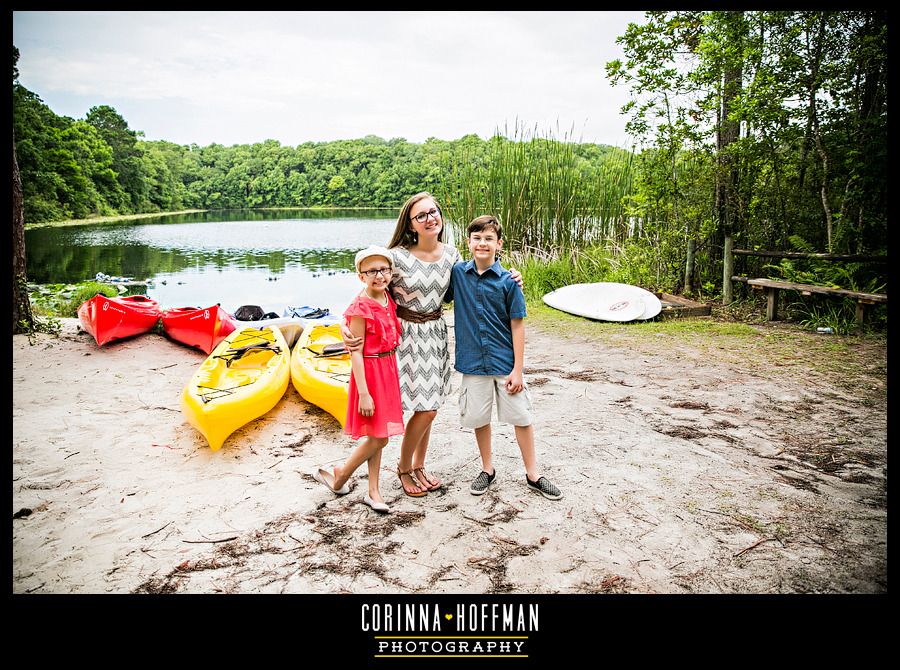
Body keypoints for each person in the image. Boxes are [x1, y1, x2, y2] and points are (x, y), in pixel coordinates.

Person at [341, 193, 522, 498]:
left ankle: (419, 465)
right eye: (421, 215)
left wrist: (509, 274)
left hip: (436, 334)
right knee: (422, 409)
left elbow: (475, 276)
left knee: (431, 407)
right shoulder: (396, 256)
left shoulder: (451, 255)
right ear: (410, 224)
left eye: (433, 212)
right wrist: (344, 326)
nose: (430, 218)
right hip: (407, 336)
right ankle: (403, 468)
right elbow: (366, 293)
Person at [451, 215, 562, 500]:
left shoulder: (509, 282)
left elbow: (518, 324)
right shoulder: (457, 275)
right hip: (473, 362)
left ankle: (533, 474)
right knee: (478, 417)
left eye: (489, 239)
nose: (482, 243)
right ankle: (487, 470)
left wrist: (518, 369)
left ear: (499, 244)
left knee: (522, 416)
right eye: (477, 238)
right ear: (469, 242)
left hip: (504, 362)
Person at [313, 246, 404, 513]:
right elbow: (356, 353)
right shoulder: (360, 307)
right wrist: (363, 392)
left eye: (384, 269)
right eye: (372, 271)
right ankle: (341, 475)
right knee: (380, 437)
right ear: (361, 276)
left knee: (380, 432)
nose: (379, 275)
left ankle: (373, 492)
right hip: (369, 372)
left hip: (388, 368)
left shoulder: (387, 296)